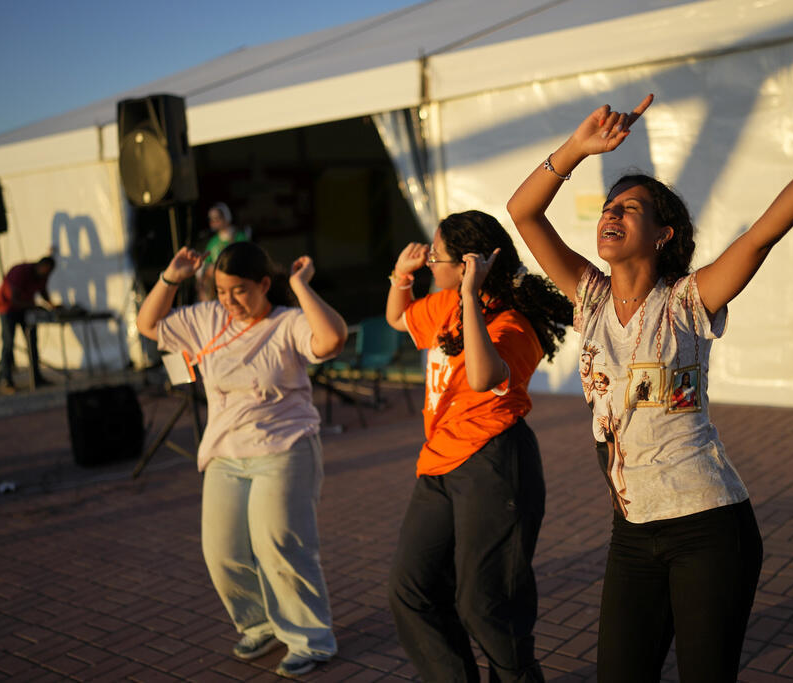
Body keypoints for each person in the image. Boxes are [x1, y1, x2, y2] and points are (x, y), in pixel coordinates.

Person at [507, 78, 793, 681]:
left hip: (709, 527)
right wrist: (576, 148)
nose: (611, 214)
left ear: (662, 234)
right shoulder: (588, 298)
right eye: (609, 207)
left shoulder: (686, 303)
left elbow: (760, 238)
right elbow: (523, 211)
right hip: (632, 531)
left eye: (630, 208)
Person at [136, 241, 347, 678]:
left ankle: (311, 640)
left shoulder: (288, 322)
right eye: (221, 291)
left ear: (264, 284)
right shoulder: (207, 318)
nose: (230, 301)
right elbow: (148, 323)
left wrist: (300, 286)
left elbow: (331, 340)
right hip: (225, 455)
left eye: (240, 291)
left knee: (281, 548)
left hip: (284, 449)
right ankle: (259, 623)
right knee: (222, 551)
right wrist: (171, 277)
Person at [385, 210, 572, 682]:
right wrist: (400, 277)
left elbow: (483, 376)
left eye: (436, 255)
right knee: (413, 588)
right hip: (439, 464)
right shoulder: (445, 303)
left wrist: (469, 293)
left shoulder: (514, 326)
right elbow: (397, 318)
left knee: (484, 603)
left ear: (469, 264)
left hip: (493, 462)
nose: (430, 261)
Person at [0, 255, 58, 393]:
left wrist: (52, 305)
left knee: (32, 342)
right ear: (40, 265)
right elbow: (14, 299)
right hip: (8, 308)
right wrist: (35, 306)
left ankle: (36, 377)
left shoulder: (43, 275)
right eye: (45, 271)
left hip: (25, 309)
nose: (46, 275)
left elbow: (43, 291)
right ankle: (7, 380)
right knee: (8, 343)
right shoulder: (20, 271)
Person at [197, 202, 249, 300]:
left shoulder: (239, 237)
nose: (214, 222)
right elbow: (206, 263)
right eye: (211, 219)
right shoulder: (213, 242)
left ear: (226, 217)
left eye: (217, 218)